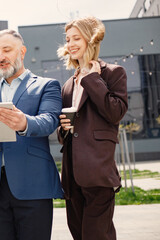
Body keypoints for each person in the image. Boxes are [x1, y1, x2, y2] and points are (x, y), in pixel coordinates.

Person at [0, 29, 63, 240]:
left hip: (33, 185)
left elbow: (50, 121)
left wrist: (24, 122)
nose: (1, 57)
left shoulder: (47, 85)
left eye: (6, 50)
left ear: (22, 51)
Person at [57, 16, 128, 240]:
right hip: (72, 176)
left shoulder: (113, 73)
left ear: (91, 39)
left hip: (98, 173)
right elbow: (64, 134)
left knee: (97, 236)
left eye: (76, 38)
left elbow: (115, 112)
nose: (70, 44)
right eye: (68, 39)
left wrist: (93, 79)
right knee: (79, 234)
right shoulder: (69, 84)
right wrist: (64, 129)